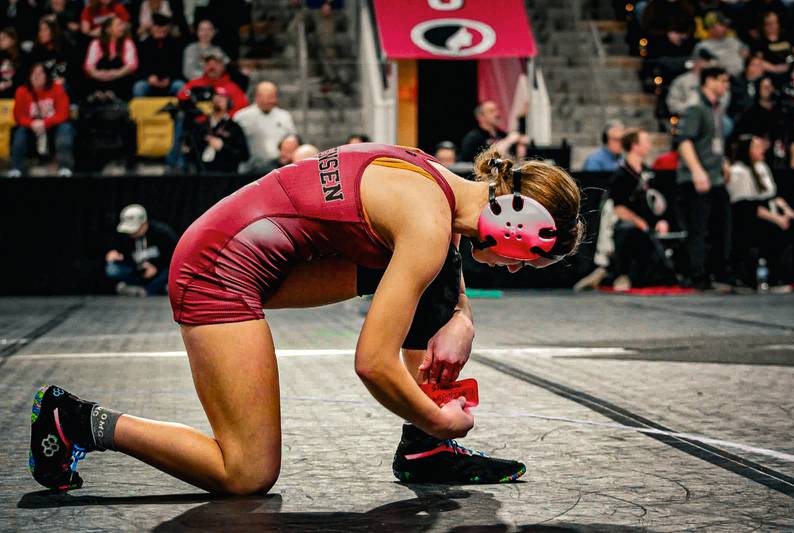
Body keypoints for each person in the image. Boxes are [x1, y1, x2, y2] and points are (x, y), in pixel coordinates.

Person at [29, 143, 583, 494]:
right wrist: (443, 418)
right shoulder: (427, 226)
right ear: (520, 229)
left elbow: (436, 263)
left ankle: (424, 452)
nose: (513, 270)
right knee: (246, 473)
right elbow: (372, 365)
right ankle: (75, 420)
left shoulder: (436, 184)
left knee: (435, 282)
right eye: (529, 259)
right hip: (216, 269)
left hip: (251, 251)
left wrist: (461, 315)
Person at [674, 66, 734, 289]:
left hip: (714, 175)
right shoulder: (696, 107)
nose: (726, 86)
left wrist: (723, 162)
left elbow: (712, 142)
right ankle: (697, 275)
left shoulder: (715, 108)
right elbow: (684, 141)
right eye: (723, 81)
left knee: (721, 225)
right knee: (699, 228)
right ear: (709, 81)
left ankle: (717, 272)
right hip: (696, 178)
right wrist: (697, 171)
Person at [727, 135, 794, 290]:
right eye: (756, 147)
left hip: (769, 210)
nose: (762, 150)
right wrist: (777, 219)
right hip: (749, 217)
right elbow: (747, 206)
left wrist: (789, 213)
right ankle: (776, 278)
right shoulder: (738, 172)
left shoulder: (762, 167)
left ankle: (793, 276)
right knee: (774, 231)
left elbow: (773, 196)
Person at [608, 128, 674, 288]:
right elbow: (619, 208)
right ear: (635, 146)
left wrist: (661, 220)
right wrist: (640, 223)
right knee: (633, 231)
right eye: (646, 142)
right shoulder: (621, 174)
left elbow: (657, 202)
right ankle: (623, 274)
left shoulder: (648, 172)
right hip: (628, 223)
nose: (649, 146)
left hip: (648, 222)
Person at [9, 63, 75, 178]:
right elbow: (18, 116)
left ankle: (65, 167)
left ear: (46, 76)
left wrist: (45, 123)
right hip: (32, 126)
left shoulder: (57, 88)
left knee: (66, 128)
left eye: (40, 73)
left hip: (53, 125)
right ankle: (16, 169)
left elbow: (63, 113)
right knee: (19, 132)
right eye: (33, 74)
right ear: (29, 77)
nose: (36, 76)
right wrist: (32, 123)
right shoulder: (22, 91)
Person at [104, 204, 177, 296]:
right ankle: (155, 288)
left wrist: (156, 268)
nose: (131, 233)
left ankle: (147, 290)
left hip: (160, 272)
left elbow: (174, 260)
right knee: (112, 269)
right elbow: (123, 256)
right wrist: (113, 255)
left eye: (134, 229)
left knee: (172, 272)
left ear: (144, 224)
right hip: (137, 272)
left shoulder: (163, 233)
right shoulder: (124, 236)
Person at [734, 76, 794, 171]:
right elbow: (741, 139)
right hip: (760, 165)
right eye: (764, 87)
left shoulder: (783, 112)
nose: (768, 90)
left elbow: (793, 141)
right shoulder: (749, 114)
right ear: (758, 89)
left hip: (782, 162)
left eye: (769, 86)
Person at [234, 81, 297, 172]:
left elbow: (293, 139)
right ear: (257, 97)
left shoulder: (284, 116)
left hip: (278, 169)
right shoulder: (242, 117)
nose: (271, 100)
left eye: (273, 96)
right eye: (267, 97)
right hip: (250, 170)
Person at [185, 86, 249, 173]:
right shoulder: (201, 124)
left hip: (226, 175)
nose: (218, 99)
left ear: (229, 103)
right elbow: (191, 151)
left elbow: (244, 155)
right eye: (216, 96)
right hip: (202, 174)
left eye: (223, 98)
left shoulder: (234, 127)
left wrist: (223, 147)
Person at [83, 15, 138, 100]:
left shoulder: (128, 43)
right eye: (118, 25)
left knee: (117, 63)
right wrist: (96, 73)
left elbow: (131, 65)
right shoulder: (96, 43)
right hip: (100, 77)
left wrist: (115, 73)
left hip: (120, 76)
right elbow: (89, 64)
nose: (122, 27)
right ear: (108, 30)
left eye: (122, 25)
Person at [132, 14, 183, 97]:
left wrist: (169, 79)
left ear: (167, 28)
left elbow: (178, 67)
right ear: (151, 28)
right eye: (156, 27)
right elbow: (140, 67)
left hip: (170, 82)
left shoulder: (175, 44)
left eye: (162, 27)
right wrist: (149, 77)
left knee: (180, 86)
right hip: (149, 82)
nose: (159, 29)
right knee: (139, 87)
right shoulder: (144, 45)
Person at [693, 11, 748, 77]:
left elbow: (746, 49)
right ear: (711, 27)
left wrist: (746, 50)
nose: (726, 28)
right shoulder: (702, 46)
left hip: (742, 77)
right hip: (721, 80)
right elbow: (697, 68)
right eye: (722, 25)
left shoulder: (733, 40)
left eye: (726, 26)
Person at [0, 27, 22, 98]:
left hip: (16, 95)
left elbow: (23, 78)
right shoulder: (1, 56)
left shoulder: (23, 57)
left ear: (13, 40)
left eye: (4, 38)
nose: (0, 41)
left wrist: (9, 84)